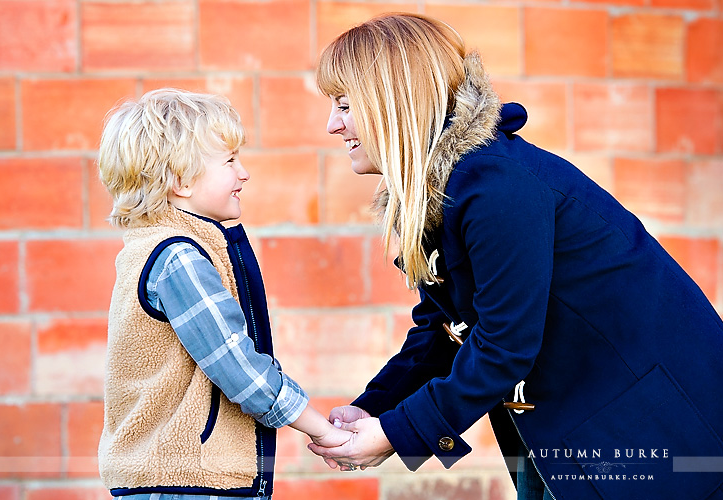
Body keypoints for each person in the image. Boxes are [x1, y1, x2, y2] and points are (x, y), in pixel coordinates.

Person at [307, 13, 723, 500]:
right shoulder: (446, 192)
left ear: (390, 101)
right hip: (562, 440)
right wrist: (378, 410)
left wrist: (398, 433)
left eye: (344, 105)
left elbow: (505, 343)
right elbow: (444, 330)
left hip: (647, 439)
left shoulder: (495, 185)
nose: (333, 125)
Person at [96, 88, 352, 500]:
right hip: (188, 483)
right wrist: (323, 430)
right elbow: (237, 366)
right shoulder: (178, 257)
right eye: (230, 161)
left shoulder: (164, 246)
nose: (244, 173)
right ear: (179, 180)